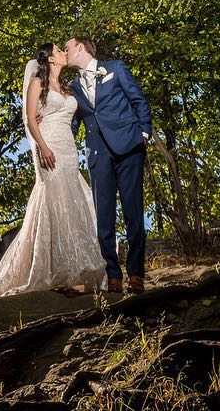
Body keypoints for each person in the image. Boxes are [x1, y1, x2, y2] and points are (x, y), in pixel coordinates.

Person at [0, 42, 105, 306]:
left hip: (69, 151)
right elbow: (28, 119)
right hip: (49, 147)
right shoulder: (38, 83)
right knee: (53, 203)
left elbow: (78, 114)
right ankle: (55, 271)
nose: (63, 53)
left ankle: (76, 270)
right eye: (59, 50)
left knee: (73, 204)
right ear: (49, 59)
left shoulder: (69, 88)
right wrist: (43, 147)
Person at [63, 36, 152, 294]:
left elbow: (139, 101)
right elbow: (73, 122)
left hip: (129, 148)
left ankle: (136, 274)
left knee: (133, 213)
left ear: (81, 48)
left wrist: (143, 133)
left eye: (67, 48)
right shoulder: (73, 87)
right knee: (103, 219)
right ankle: (113, 276)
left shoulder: (115, 68)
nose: (65, 52)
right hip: (98, 155)